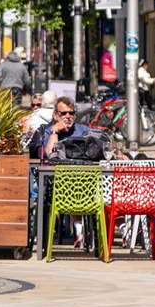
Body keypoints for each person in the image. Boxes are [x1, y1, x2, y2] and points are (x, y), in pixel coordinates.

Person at [41, 97, 92, 247]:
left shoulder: (83, 130)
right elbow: (49, 154)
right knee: (70, 182)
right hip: (57, 183)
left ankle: (121, 227)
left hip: (84, 180)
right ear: (56, 115)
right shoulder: (48, 130)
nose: (68, 117)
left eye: (71, 113)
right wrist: (55, 131)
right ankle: (78, 228)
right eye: (64, 113)